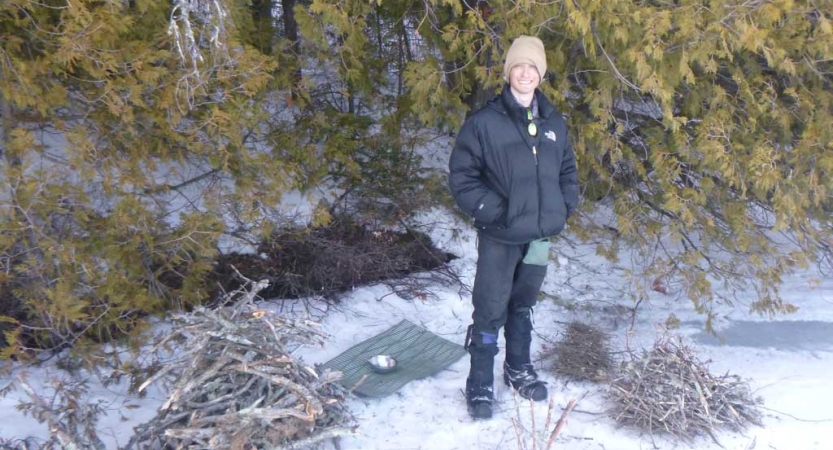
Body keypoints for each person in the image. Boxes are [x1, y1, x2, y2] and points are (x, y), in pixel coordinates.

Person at [448, 35, 579, 420]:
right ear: (508, 73)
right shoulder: (485, 123)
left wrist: (562, 208)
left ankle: (517, 369)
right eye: (518, 67)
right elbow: (463, 178)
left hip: (539, 236)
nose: (525, 73)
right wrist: (495, 212)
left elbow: (568, 172)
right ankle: (480, 383)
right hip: (500, 235)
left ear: (540, 74)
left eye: (532, 67)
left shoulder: (554, 123)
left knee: (523, 306)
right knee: (489, 309)